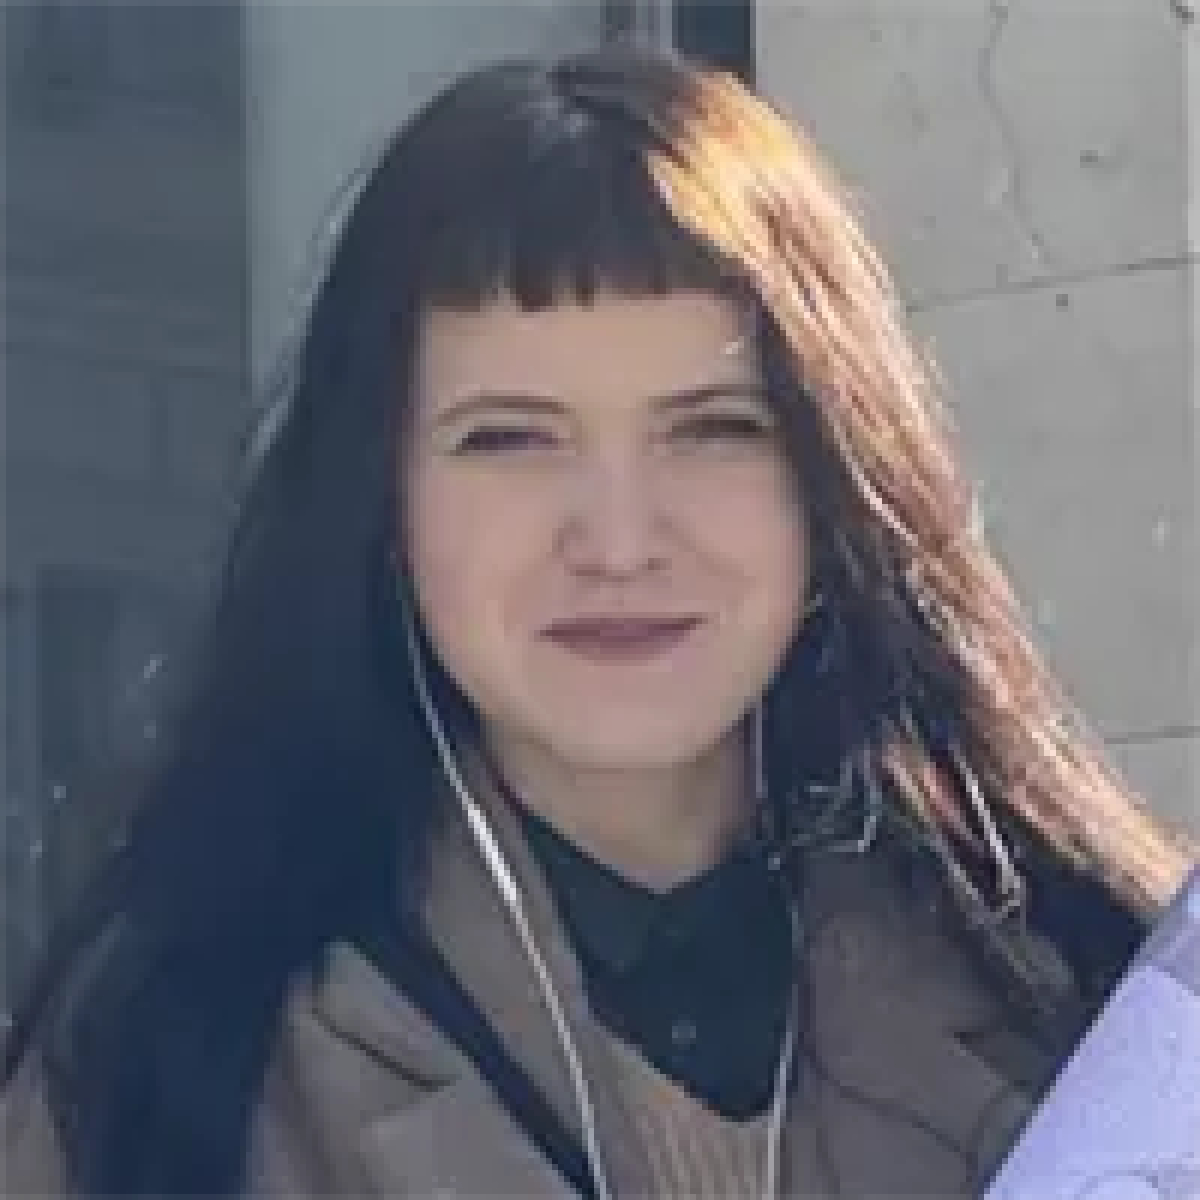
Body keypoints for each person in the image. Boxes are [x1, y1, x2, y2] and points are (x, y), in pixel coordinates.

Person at [2, 43, 1194, 1199]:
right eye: (510, 438)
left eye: (713, 428)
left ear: (835, 475)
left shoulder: (1089, 1006)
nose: (620, 541)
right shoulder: (166, 1076)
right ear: (379, 498)